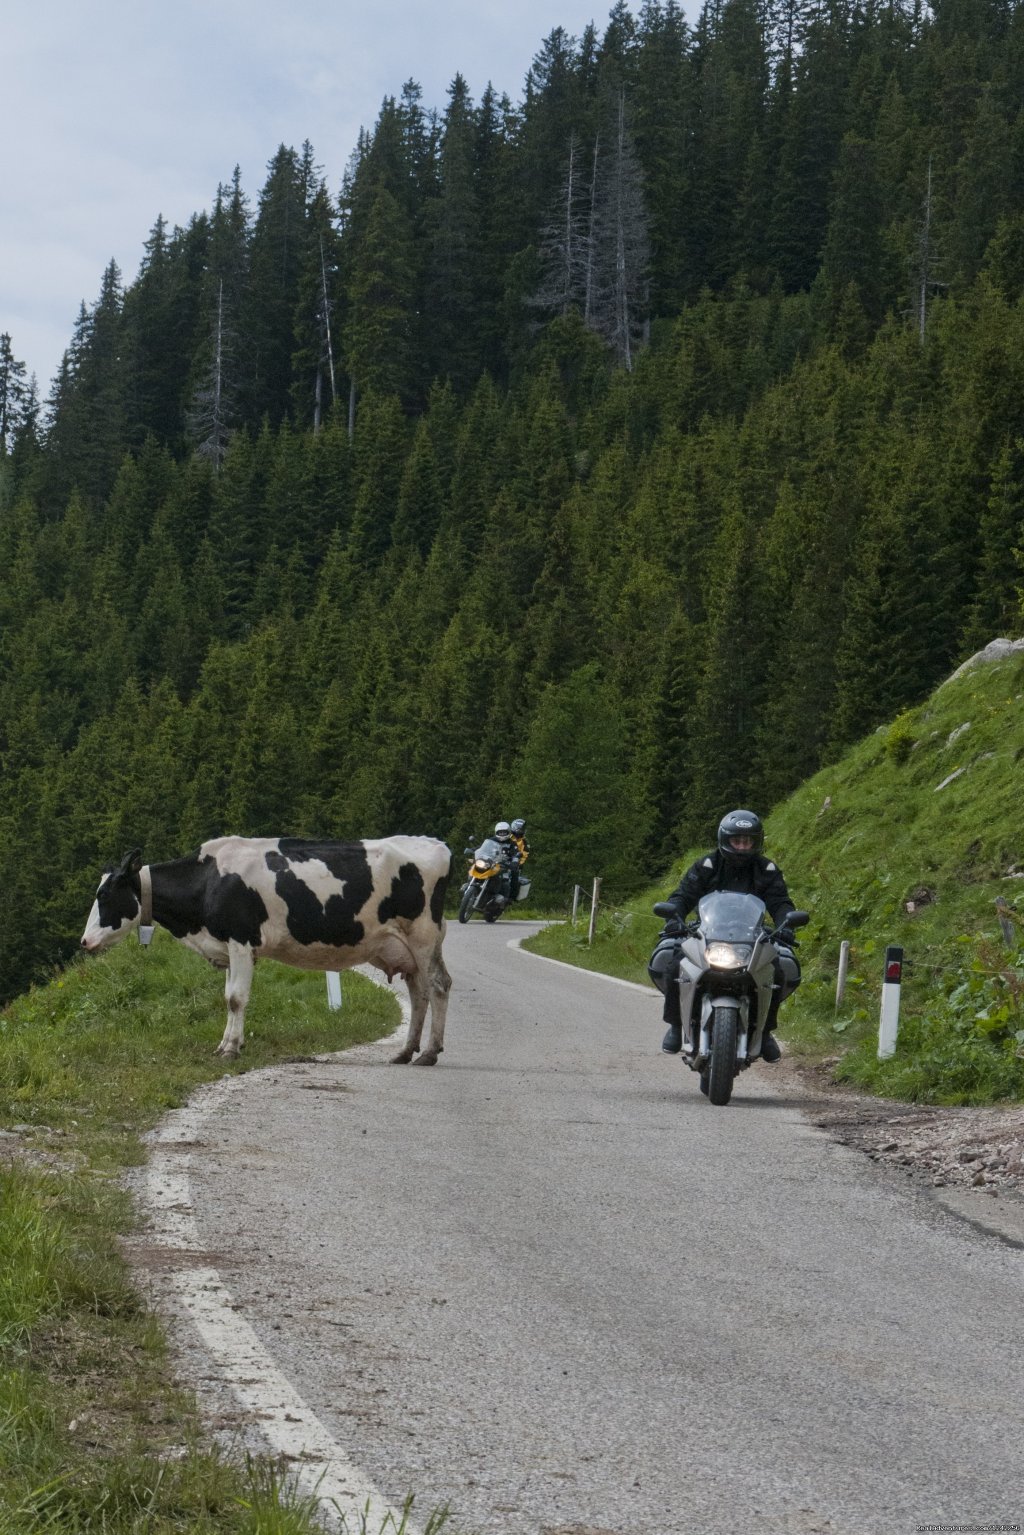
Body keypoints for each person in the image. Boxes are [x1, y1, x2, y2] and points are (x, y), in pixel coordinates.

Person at [655, 809, 799, 1063]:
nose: (743, 846)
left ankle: (765, 1033)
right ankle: (676, 1027)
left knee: (775, 971)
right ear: (725, 840)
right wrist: (674, 917)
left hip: (751, 936)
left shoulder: (766, 869)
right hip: (707, 933)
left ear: (757, 841)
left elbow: (779, 902)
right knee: (675, 962)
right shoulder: (707, 866)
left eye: (748, 841)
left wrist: (786, 923)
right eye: (737, 841)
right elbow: (683, 895)